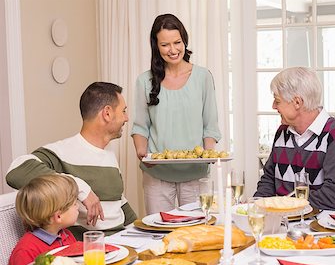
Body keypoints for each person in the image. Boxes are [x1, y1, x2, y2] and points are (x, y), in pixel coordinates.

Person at [6, 82, 137, 239]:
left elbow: (118, 201)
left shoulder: (109, 156)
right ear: (107, 113)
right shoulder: (62, 152)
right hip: (90, 249)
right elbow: (16, 171)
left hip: (122, 242)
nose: (127, 118)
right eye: (123, 111)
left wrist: (142, 232)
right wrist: (80, 188)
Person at [131, 13, 221, 214]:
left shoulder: (202, 77)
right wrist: (142, 153)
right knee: (159, 233)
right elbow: (140, 126)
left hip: (195, 173)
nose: (173, 50)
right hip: (157, 175)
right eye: (165, 45)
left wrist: (207, 156)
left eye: (177, 42)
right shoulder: (144, 81)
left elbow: (210, 125)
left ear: (184, 40)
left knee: (196, 233)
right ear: (156, 46)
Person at [254, 67, 335, 211]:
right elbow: (268, 180)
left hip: (319, 225)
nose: (274, 106)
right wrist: (256, 208)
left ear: (297, 102)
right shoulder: (282, 132)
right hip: (282, 223)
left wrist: (287, 204)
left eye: (277, 101)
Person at [9, 175, 79, 265]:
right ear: (58, 216)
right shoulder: (26, 251)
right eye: (74, 204)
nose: (78, 206)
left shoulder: (66, 235)